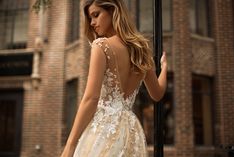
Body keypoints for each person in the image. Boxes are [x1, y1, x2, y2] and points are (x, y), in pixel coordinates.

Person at [61, 0, 167, 156]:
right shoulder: (142, 50)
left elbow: (91, 98)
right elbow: (157, 94)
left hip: (104, 131)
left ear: (112, 11)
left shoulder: (101, 46)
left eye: (96, 15)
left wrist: (70, 146)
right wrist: (164, 67)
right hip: (130, 133)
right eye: (90, 18)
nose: (92, 23)